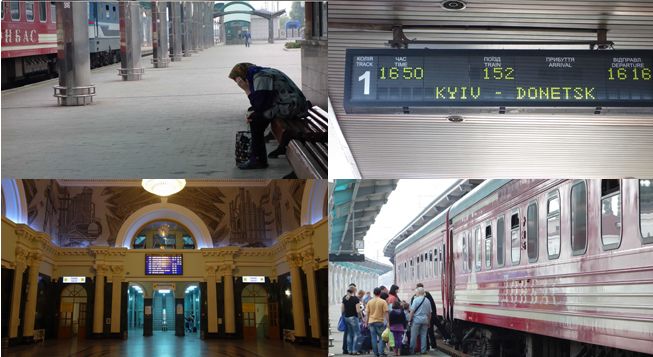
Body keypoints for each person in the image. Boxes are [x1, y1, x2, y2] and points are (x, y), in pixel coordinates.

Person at [228, 63, 309, 169]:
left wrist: (246, 89)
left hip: (292, 107)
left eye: (236, 80)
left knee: (255, 119)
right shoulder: (261, 73)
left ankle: (257, 160)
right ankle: (257, 157)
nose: (237, 83)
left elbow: (259, 105)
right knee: (256, 116)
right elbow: (262, 102)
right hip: (293, 104)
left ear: (241, 76)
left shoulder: (260, 77)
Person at [410, 282, 449, 347]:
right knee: (438, 327)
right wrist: (434, 313)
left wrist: (411, 318)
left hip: (421, 317)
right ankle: (447, 338)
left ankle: (430, 346)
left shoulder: (414, 297)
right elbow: (433, 305)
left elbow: (412, 308)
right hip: (430, 315)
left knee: (427, 332)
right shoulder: (427, 295)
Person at [364, 287, 389, 357]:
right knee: (382, 337)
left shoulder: (369, 302)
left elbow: (367, 313)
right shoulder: (383, 301)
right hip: (380, 322)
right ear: (380, 293)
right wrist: (388, 322)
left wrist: (366, 323)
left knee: (373, 338)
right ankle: (381, 352)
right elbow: (386, 313)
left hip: (371, 322)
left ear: (374, 293)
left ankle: (375, 353)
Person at [409, 287, 431, 355]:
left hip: (416, 320)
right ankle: (423, 350)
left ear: (418, 292)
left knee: (414, 336)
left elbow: (412, 311)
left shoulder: (416, 300)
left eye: (416, 292)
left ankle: (412, 350)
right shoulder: (427, 300)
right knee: (424, 335)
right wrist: (429, 322)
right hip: (425, 320)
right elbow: (429, 313)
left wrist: (409, 320)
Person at [342, 287, 362, 355]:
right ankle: (354, 350)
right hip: (353, 318)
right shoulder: (355, 299)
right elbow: (358, 310)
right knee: (357, 334)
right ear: (354, 291)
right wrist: (361, 316)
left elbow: (342, 309)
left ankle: (349, 350)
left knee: (349, 334)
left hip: (346, 317)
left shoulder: (344, 298)